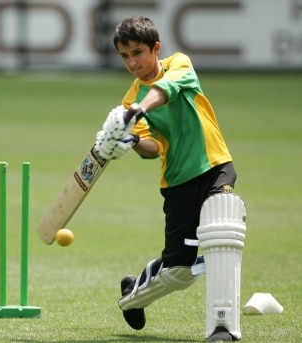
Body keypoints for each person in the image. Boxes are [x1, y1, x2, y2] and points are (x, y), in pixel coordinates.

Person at [94, 16, 246, 342]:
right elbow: (153, 149)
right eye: (124, 56)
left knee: (224, 219)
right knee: (179, 271)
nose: (132, 62)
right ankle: (132, 295)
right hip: (178, 182)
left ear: (156, 49)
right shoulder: (129, 100)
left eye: (138, 52)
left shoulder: (179, 64)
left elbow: (165, 91)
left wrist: (136, 111)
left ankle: (223, 327)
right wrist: (132, 141)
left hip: (216, 162)